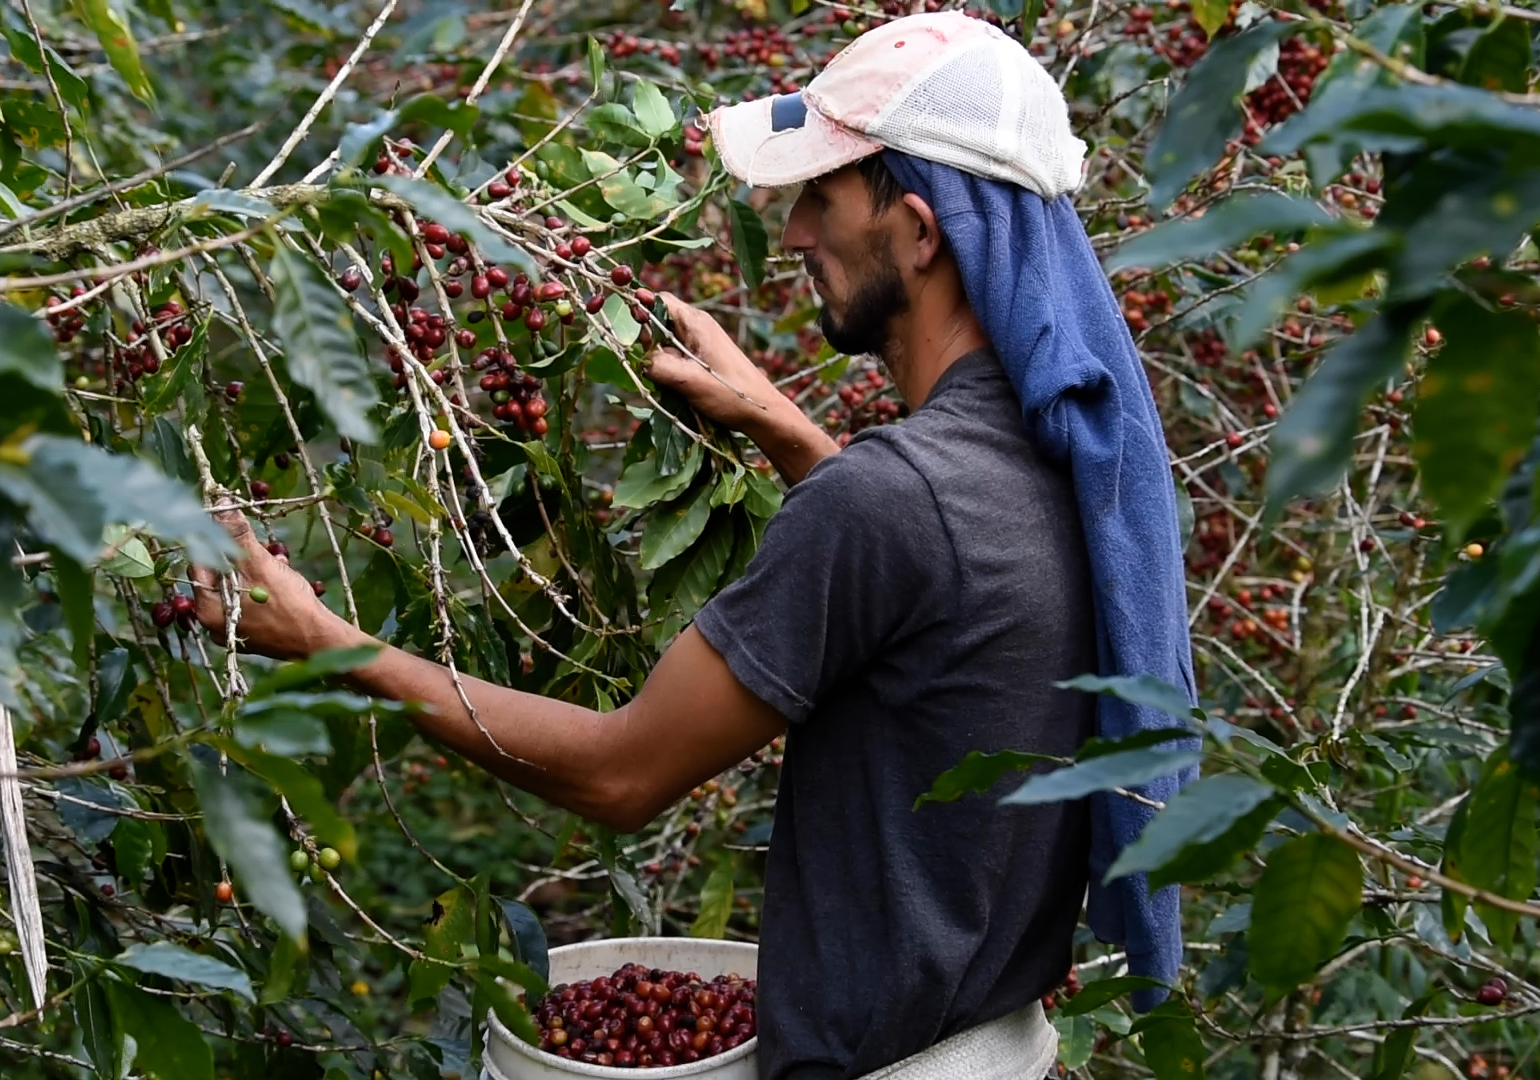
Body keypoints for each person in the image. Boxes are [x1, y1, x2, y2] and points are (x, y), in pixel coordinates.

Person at [193, 11, 1197, 1080]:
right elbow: (951, 583)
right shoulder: (1076, 466)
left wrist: (323, 639)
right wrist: (785, 431)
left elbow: (621, 775)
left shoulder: (892, 501)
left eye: (822, 197)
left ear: (918, 232)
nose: (795, 232)